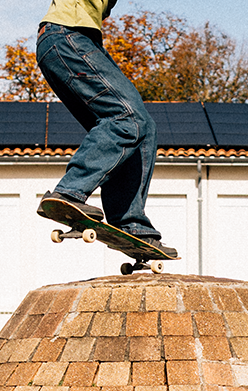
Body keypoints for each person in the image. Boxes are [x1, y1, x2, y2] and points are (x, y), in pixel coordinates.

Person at [36, 0, 177, 257]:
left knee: (143, 128)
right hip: (66, 34)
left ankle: (131, 223)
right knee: (128, 118)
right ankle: (70, 191)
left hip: (77, 41)